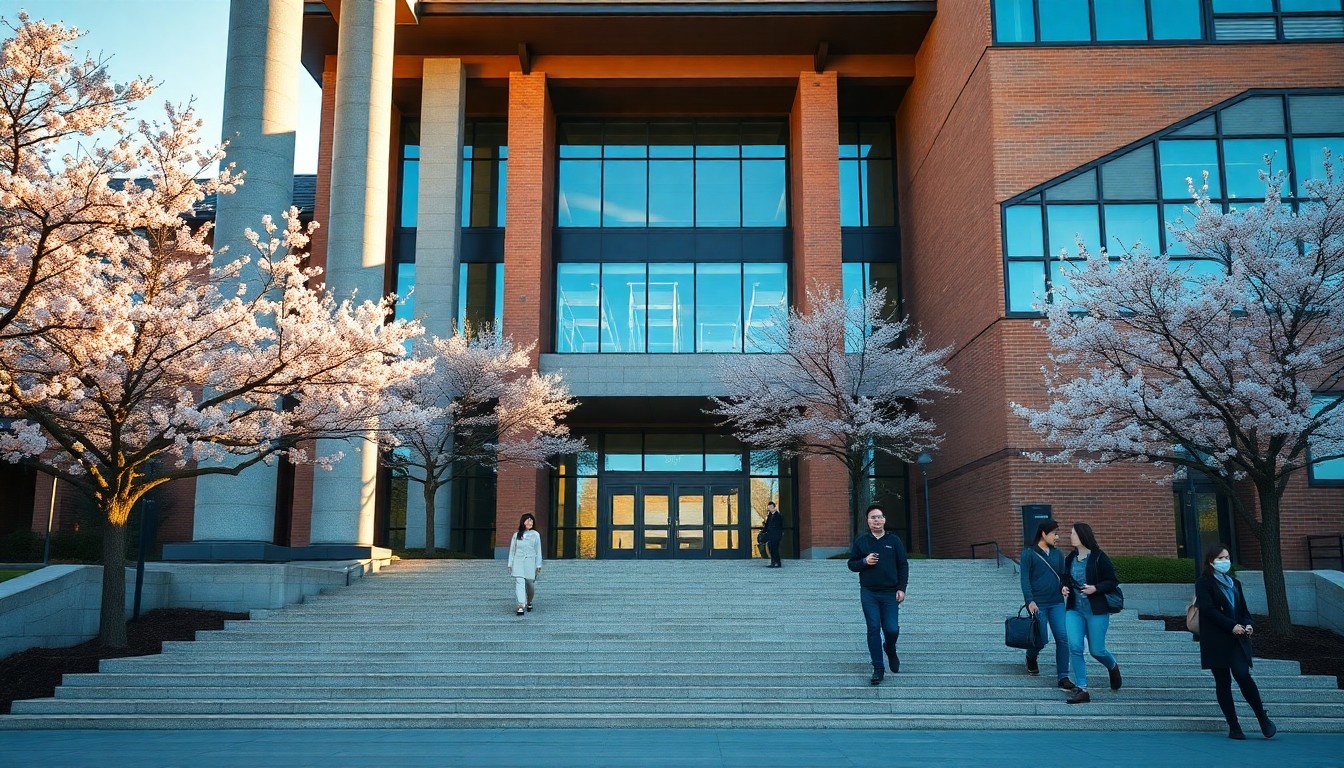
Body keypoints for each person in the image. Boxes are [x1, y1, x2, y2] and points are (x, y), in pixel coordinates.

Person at [1195, 543, 1277, 740]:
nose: (1225, 562)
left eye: (1227, 557)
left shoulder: (1234, 583)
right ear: (1211, 561)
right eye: (1221, 558)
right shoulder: (1204, 583)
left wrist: (1247, 624)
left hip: (1237, 639)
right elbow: (1208, 610)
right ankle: (1233, 725)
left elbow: (1244, 611)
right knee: (1222, 682)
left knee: (1242, 675)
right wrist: (1230, 625)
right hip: (1216, 640)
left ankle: (1262, 718)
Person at [847, 503, 909, 685]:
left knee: (892, 629)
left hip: (890, 593)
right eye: (873, 517)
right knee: (873, 628)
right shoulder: (862, 541)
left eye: (879, 517)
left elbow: (903, 565)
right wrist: (865, 561)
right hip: (869, 593)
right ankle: (878, 668)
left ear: (884, 520)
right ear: (868, 521)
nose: (877, 520)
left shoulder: (894, 541)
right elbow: (852, 564)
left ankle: (890, 648)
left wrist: (901, 588)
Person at [1062, 522, 1121, 704]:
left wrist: (1095, 588)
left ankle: (1112, 666)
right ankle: (1082, 688)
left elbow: (1112, 581)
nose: (1071, 537)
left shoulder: (1099, 557)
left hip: (1096, 610)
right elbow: (1065, 577)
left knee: (1096, 650)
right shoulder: (1070, 558)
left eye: (1073, 534)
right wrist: (1063, 588)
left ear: (1082, 536)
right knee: (1075, 647)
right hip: (1074, 610)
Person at [1020, 520, 1074, 691]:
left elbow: (1063, 576)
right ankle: (1031, 656)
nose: (1057, 537)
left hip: (1057, 602)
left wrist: (1064, 588)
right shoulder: (1028, 554)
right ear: (1043, 533)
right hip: (1038, 604)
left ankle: (1063, 676)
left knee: (1063, 638)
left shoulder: (1058, 555)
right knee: (1041, 638)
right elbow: (1024, 580)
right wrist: (1030, 601)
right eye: (1054, 534)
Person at [507, 513, 543, 616]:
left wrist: (538, 564)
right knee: (519, 582)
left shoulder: (536, 534)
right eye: (527, 520)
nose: (529, 522)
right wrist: (510, 563)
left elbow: (538, 550)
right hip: (518, 561)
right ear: (523, 522)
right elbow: (512, 550)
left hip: (530, 562)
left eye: (531, 521)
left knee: (530, 584)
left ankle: (529, 601)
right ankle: (521, 605)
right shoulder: (516, 535)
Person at [762, 501, 784, 568]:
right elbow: (767, 525)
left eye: (771, 507)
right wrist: (763, 531)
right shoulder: (769, 515)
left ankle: (778, 563)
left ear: (774, 507)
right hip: (770, 535)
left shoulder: (778, 515)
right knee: (771, 549)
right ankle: (773, 563)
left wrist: (779, 535)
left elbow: (780, 526)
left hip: (776, 535)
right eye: (769, 507)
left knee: (775, 549)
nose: (770, 509)